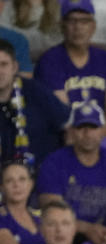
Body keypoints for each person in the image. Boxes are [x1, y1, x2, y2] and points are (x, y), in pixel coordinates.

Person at [36, 100, 106, 244]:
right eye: (81, 127)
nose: (87, 134)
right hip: (67, 237)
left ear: (103, 130)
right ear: (71, 131)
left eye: (93, 127)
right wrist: (87, 228)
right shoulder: (54, 163)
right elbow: (51, 211)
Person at [33, 0, 106, 134]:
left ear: (93, 27)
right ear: (62, 26)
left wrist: (103, 132)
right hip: (67, 134)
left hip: (102, 132)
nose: (78, 27)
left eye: (84, 21)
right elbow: (62, 114)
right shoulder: (49, 60)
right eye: (72, 21)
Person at [0, 38, 69, 166]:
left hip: (42, 175)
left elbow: (69, 125)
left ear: (15, 67)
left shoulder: (35, 91)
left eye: (4, 64)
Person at [25, 199, 105, 244]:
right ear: (42, 230)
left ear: (74, 229)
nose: (59, 230)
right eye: (52, 224)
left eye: (65, 223)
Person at [0, 160, 44, 244]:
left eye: (22, 179)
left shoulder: (40, 218)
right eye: (10, 181)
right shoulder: (2, 218)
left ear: (31, 184)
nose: (16, 185)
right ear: (2, 187)